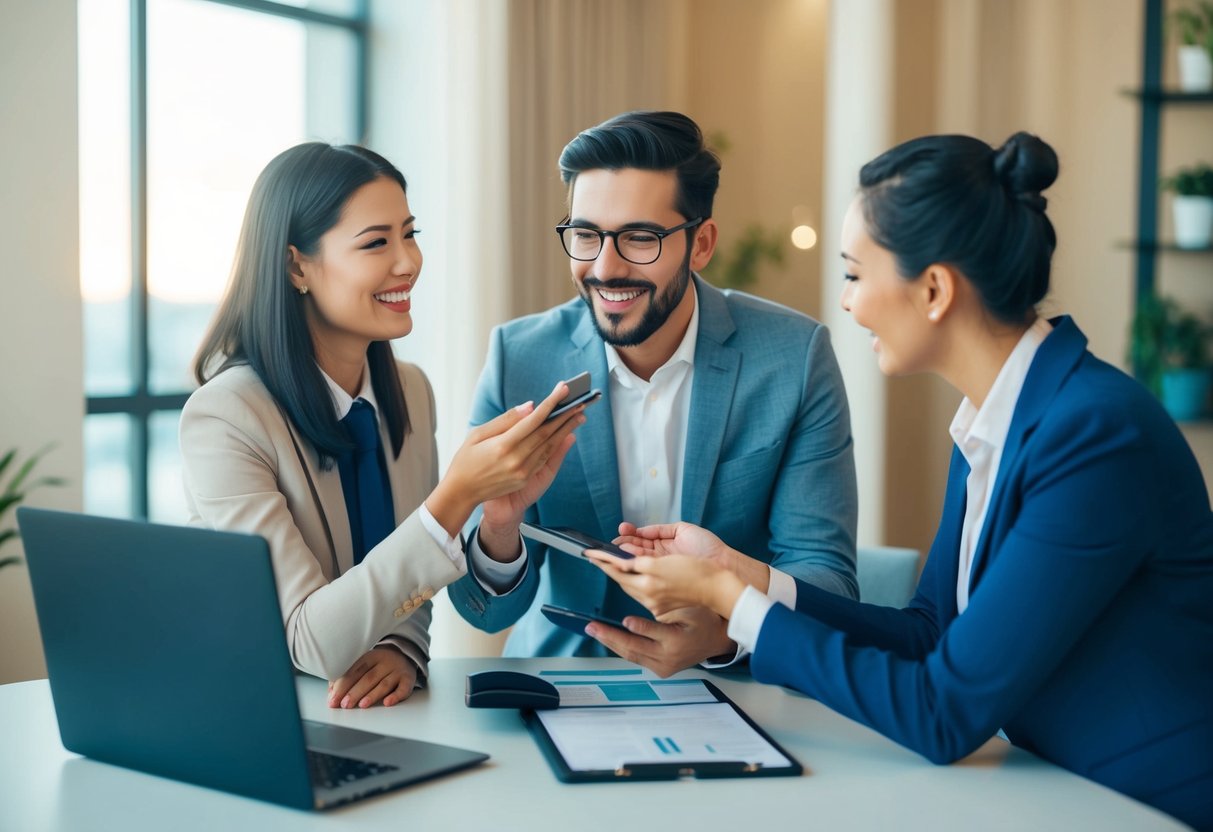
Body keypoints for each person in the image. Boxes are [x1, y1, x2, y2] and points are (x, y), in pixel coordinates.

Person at [588, 132, 1213, 828]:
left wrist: (730, 603)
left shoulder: (1094, 436)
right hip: (1055, 791)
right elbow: (930, 635)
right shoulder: (997, 419)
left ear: (934, 289)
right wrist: (741, 572)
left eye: (855, 273)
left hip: (1151, 807)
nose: (847, 303)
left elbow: (942, 713)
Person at [447, 111, 858, 675]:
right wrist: (497, 526)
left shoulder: (794, 358)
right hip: (564, 682)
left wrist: (722, 633)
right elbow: (487, 613)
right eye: (586, 235)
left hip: (741, 687)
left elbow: (827, 580)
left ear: (702, 242)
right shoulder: (518, 358)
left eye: (640, 238)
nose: (605, 268)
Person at [182, 143, 586, 710]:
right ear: (297, 265)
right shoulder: (226, 416)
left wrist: (402, 646)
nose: (408, 262)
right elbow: (309, 641)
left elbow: (409, 585)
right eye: (376, 242)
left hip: (386, 719)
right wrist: (457, 495)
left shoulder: (411, 391)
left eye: (410, 233)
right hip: (263, 713)